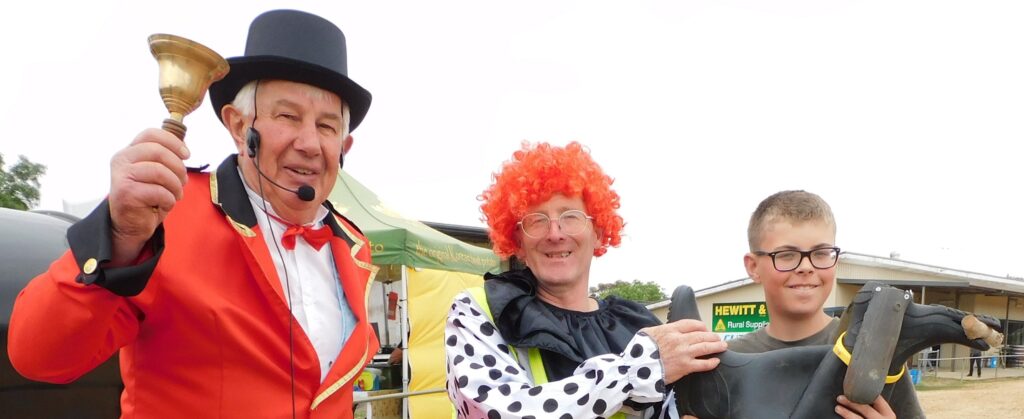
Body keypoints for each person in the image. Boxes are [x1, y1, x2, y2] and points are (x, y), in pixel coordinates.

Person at [8, 10, 378, 418]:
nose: (309, 143)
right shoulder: (165, 214)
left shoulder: (355, 247)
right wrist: (117, 234)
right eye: (288, 116)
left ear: (344, 147)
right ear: (239, 126)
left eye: (327, 127)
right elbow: (39, 356)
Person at [445, 142, 727, 418]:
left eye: (571, 216)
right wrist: (634, 372)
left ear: (599, 234)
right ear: (518, 242)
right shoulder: (481, 311)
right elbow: (501, 410)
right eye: (536, 220)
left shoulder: (637, 324)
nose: (555, 233)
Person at [728, 190, 924, 419]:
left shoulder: (871, 351)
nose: (806, 267)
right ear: (753, 267)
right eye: (787, 255)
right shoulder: (727, 361)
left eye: (821, 253)